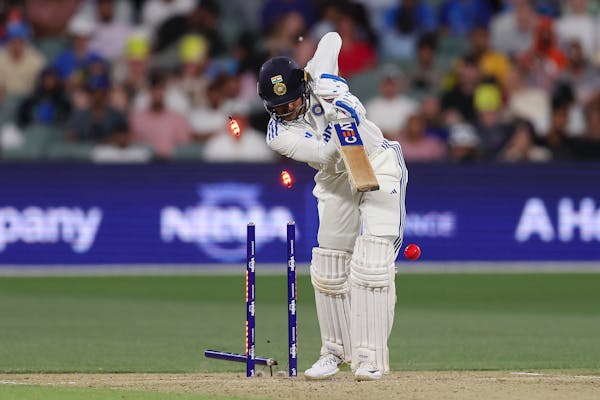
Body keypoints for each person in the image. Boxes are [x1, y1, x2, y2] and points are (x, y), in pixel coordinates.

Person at [257, 32, 408, 381]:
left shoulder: (315, 79)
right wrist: (339, 119)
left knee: (371, 264)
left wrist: (335, 90)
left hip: (377, 163)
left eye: (292, 102)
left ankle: (369, 357)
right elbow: (324, 155)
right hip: (335, 177)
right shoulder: (277, 134)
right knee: (327, 267)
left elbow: (333, 38)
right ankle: (334, 352)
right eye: (278, 107)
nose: (288, 110)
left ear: (301, 89)